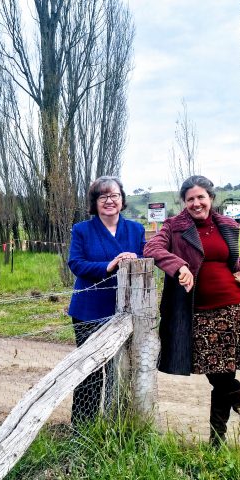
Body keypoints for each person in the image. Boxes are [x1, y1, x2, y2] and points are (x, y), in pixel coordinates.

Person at [143, 175, 240, 454]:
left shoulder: (226, 225)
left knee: (223, 375)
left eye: (201, 197)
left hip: (232, 307)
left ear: (210, 198)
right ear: (184, 203)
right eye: (190, 199)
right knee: (218, 376)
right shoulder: (174, 227)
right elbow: (152, 248)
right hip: (198, 312)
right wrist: (179, 266)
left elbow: (233, 260)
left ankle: (217, 441)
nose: (196, 203)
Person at [67, 176, 146, 426]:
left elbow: (146, 258)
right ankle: (83, 426)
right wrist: (109, 265)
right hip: (89, 311)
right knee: (89, 370)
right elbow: (76, 263)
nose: (109, 201)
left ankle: (117, 425)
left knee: (120, 369)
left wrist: (136, 259)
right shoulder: (82, 230)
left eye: (114, 195)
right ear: (95, 202)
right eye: (103, 196)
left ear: (122, 200)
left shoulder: (136, 229)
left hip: (124, 312)